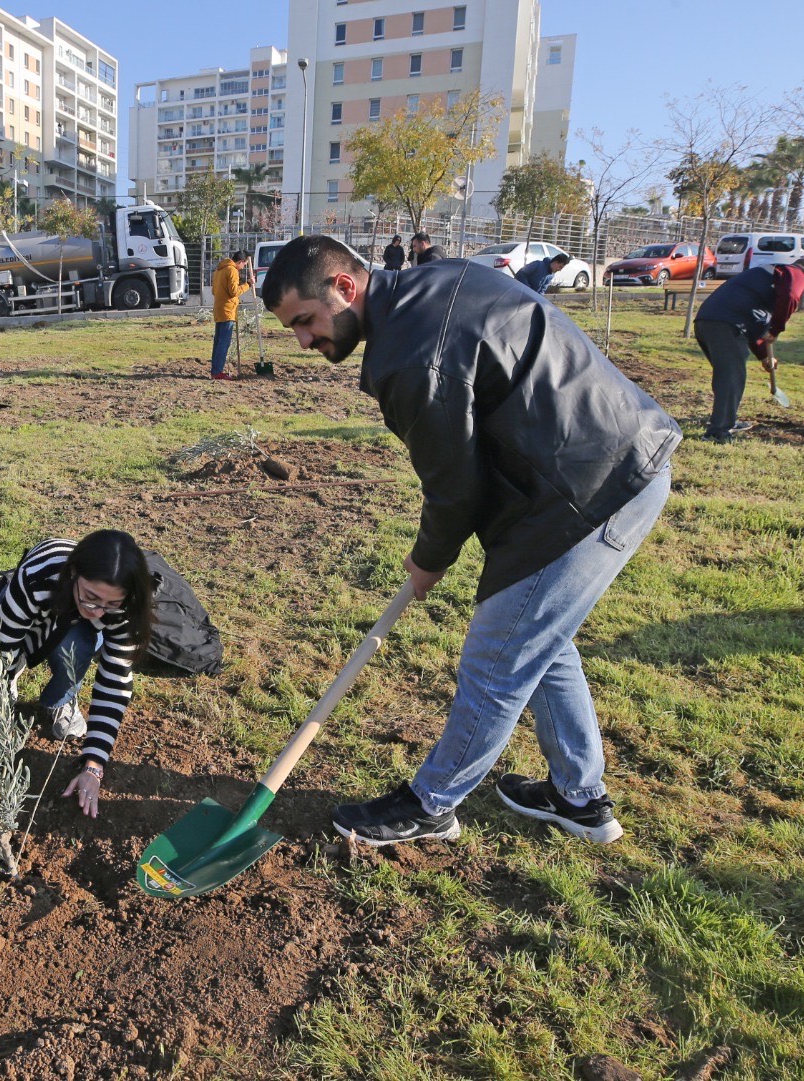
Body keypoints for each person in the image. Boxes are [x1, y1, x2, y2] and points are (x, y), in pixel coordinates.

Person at [260, 236, 679, 847]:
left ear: (344, 288)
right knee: (538, 640)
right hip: (606, 459)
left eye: (306, 320)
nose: (303, 340)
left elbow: (454, 486)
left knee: (497, 657)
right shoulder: (437, 282)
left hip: (588, 490)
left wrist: (429, 558)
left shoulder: (407, 356)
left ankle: (432, 804)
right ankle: (579, 797)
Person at [0, 531, 156, 818]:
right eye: (91, 597)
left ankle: (62, 698)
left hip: (74, 633)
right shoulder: (37, 576)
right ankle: (10, 686)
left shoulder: (126, 605)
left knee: (75, 645)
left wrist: (94, 765)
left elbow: (115, 681)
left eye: (110, 605)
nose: (98, 610)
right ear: (75, 573)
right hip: (25, 620)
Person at [692, 257, 804, 443]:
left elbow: (753, 325)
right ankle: (718, 433)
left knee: (729, 377)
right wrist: (776, 329)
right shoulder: (795, 273)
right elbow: (791, 295)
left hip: (708, 322)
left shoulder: (768, 275)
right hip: (726, 325)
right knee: (731, 379)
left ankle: (727, 421)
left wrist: (763, 357)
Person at [210, 251, 251, 381]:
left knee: (218, 342)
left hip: (219, 309)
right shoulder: (232, 270)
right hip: (228, 310)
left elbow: (213, 290)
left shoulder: (219, 270)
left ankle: (215, 370)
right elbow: (234, 291)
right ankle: (217, 372)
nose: (243, 267)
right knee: (224, 343)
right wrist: (248, 284)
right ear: (240, 262)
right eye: (244, 264)